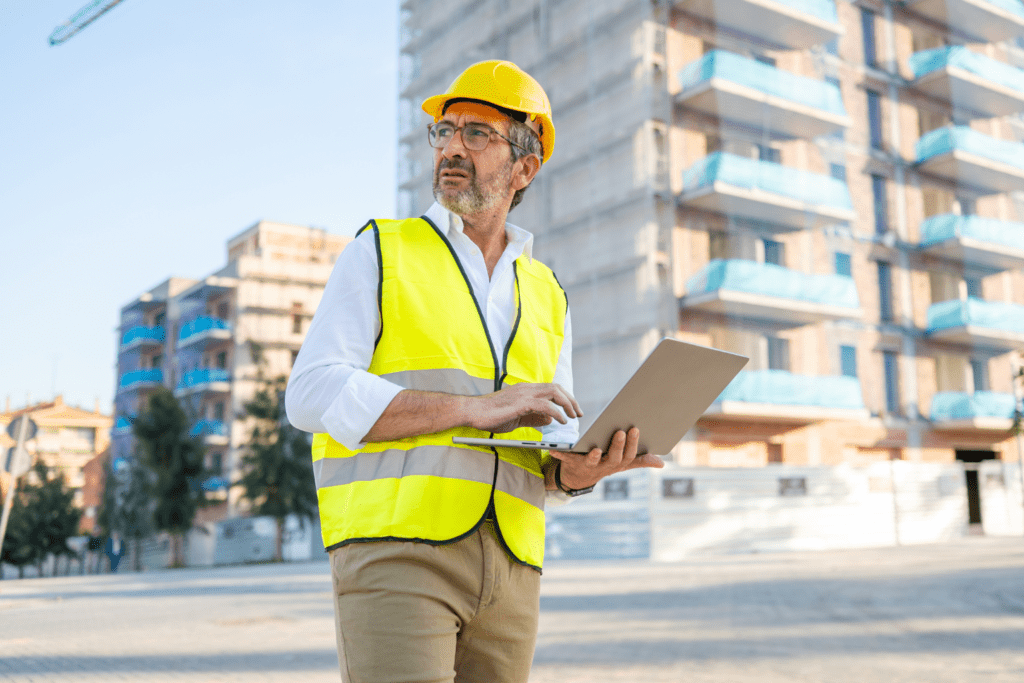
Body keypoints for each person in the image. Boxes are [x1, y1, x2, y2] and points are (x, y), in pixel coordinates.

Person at [286, 60, 664, 683]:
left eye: (477, 133)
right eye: (445, 131)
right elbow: (309, 393)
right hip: (398, 552)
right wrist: (471, 409)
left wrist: (577, 473)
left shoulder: (548, 294)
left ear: (524, 168)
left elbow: (549, 447)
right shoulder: (381, 250)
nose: (452, 148)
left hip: (514, 567)